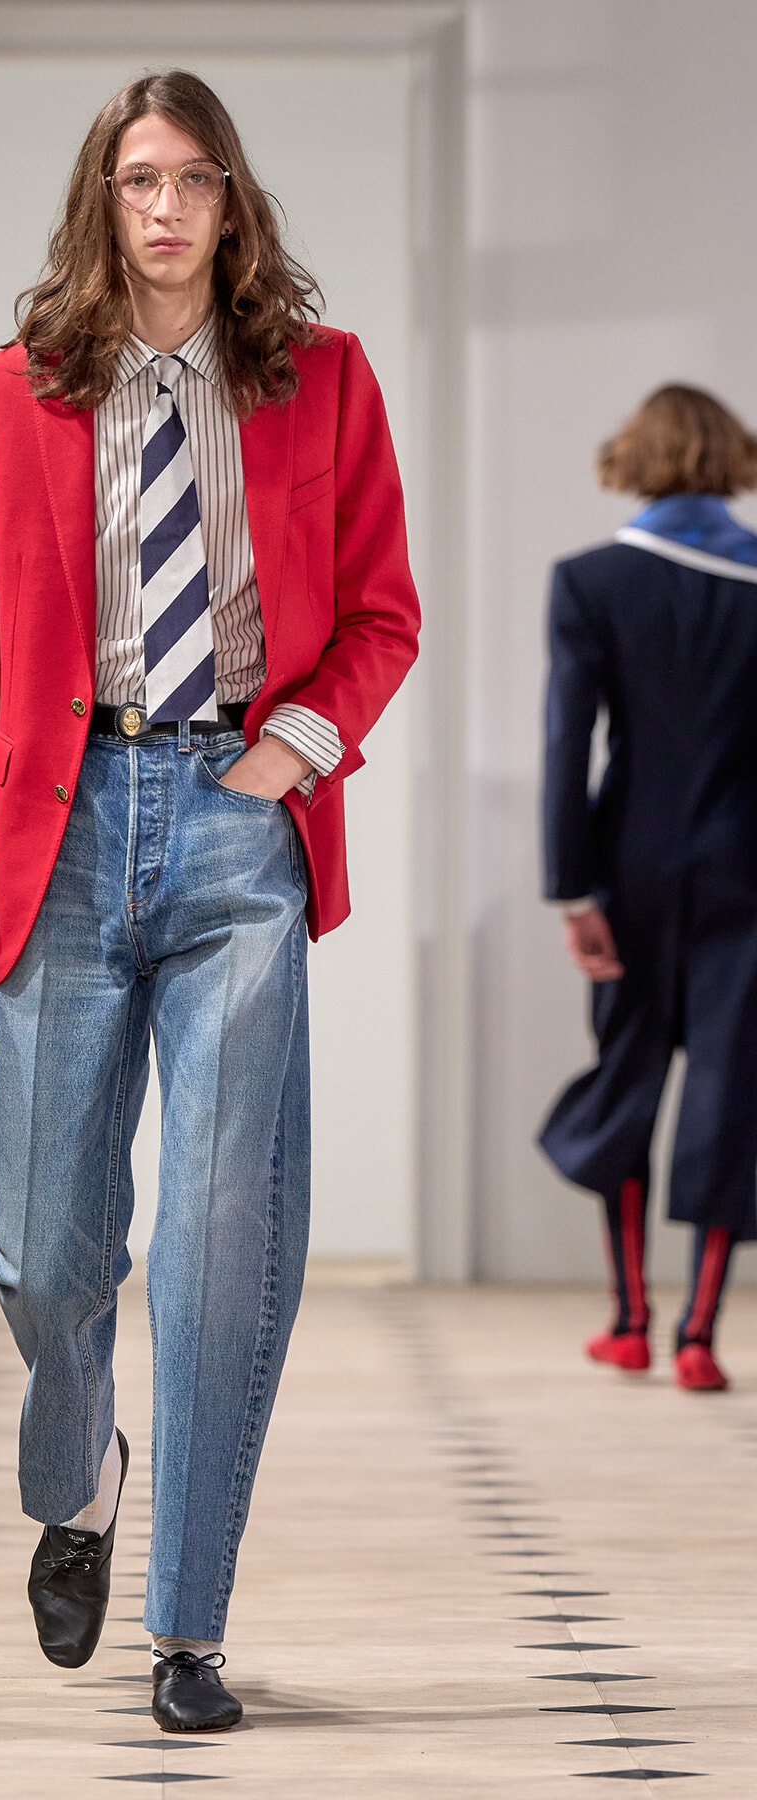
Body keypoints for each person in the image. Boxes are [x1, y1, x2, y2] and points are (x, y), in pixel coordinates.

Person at [0, 70, 418, 1732]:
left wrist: (293, 752)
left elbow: (386, 612)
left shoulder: (323, 384)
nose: (170, 206)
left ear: (236, 202)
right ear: (102, 200)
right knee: (49, 1252)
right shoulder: (11, 394)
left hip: (230, 831)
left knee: (214, 1245)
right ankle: (81, 1474)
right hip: (56, 834)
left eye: (198, 178)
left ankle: (186, 1626)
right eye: (140, 178)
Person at [539, 384, 757, 1392]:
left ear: (634, 459)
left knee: (627, 1078)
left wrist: (570, 890)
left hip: (626, 872)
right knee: (730, 1088)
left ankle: (629, 1320)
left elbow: (565, 745)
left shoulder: (590, 582)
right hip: (746, 875)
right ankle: (703, 1337)